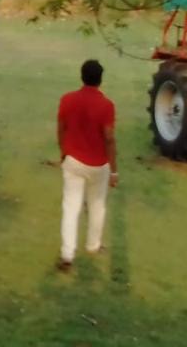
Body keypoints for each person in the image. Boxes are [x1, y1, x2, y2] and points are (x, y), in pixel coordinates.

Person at [56, 59, 118, 271]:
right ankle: (93, 245)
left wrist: (63, 152)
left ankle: (67, 253)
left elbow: (61, 128)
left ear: (81, 76)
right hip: (99, 164)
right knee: (97, 206)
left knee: (70, 207)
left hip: (73, 160)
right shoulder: (107, 105)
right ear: (100, 79)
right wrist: (114, 170)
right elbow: (109, 138)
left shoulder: (67, 99)